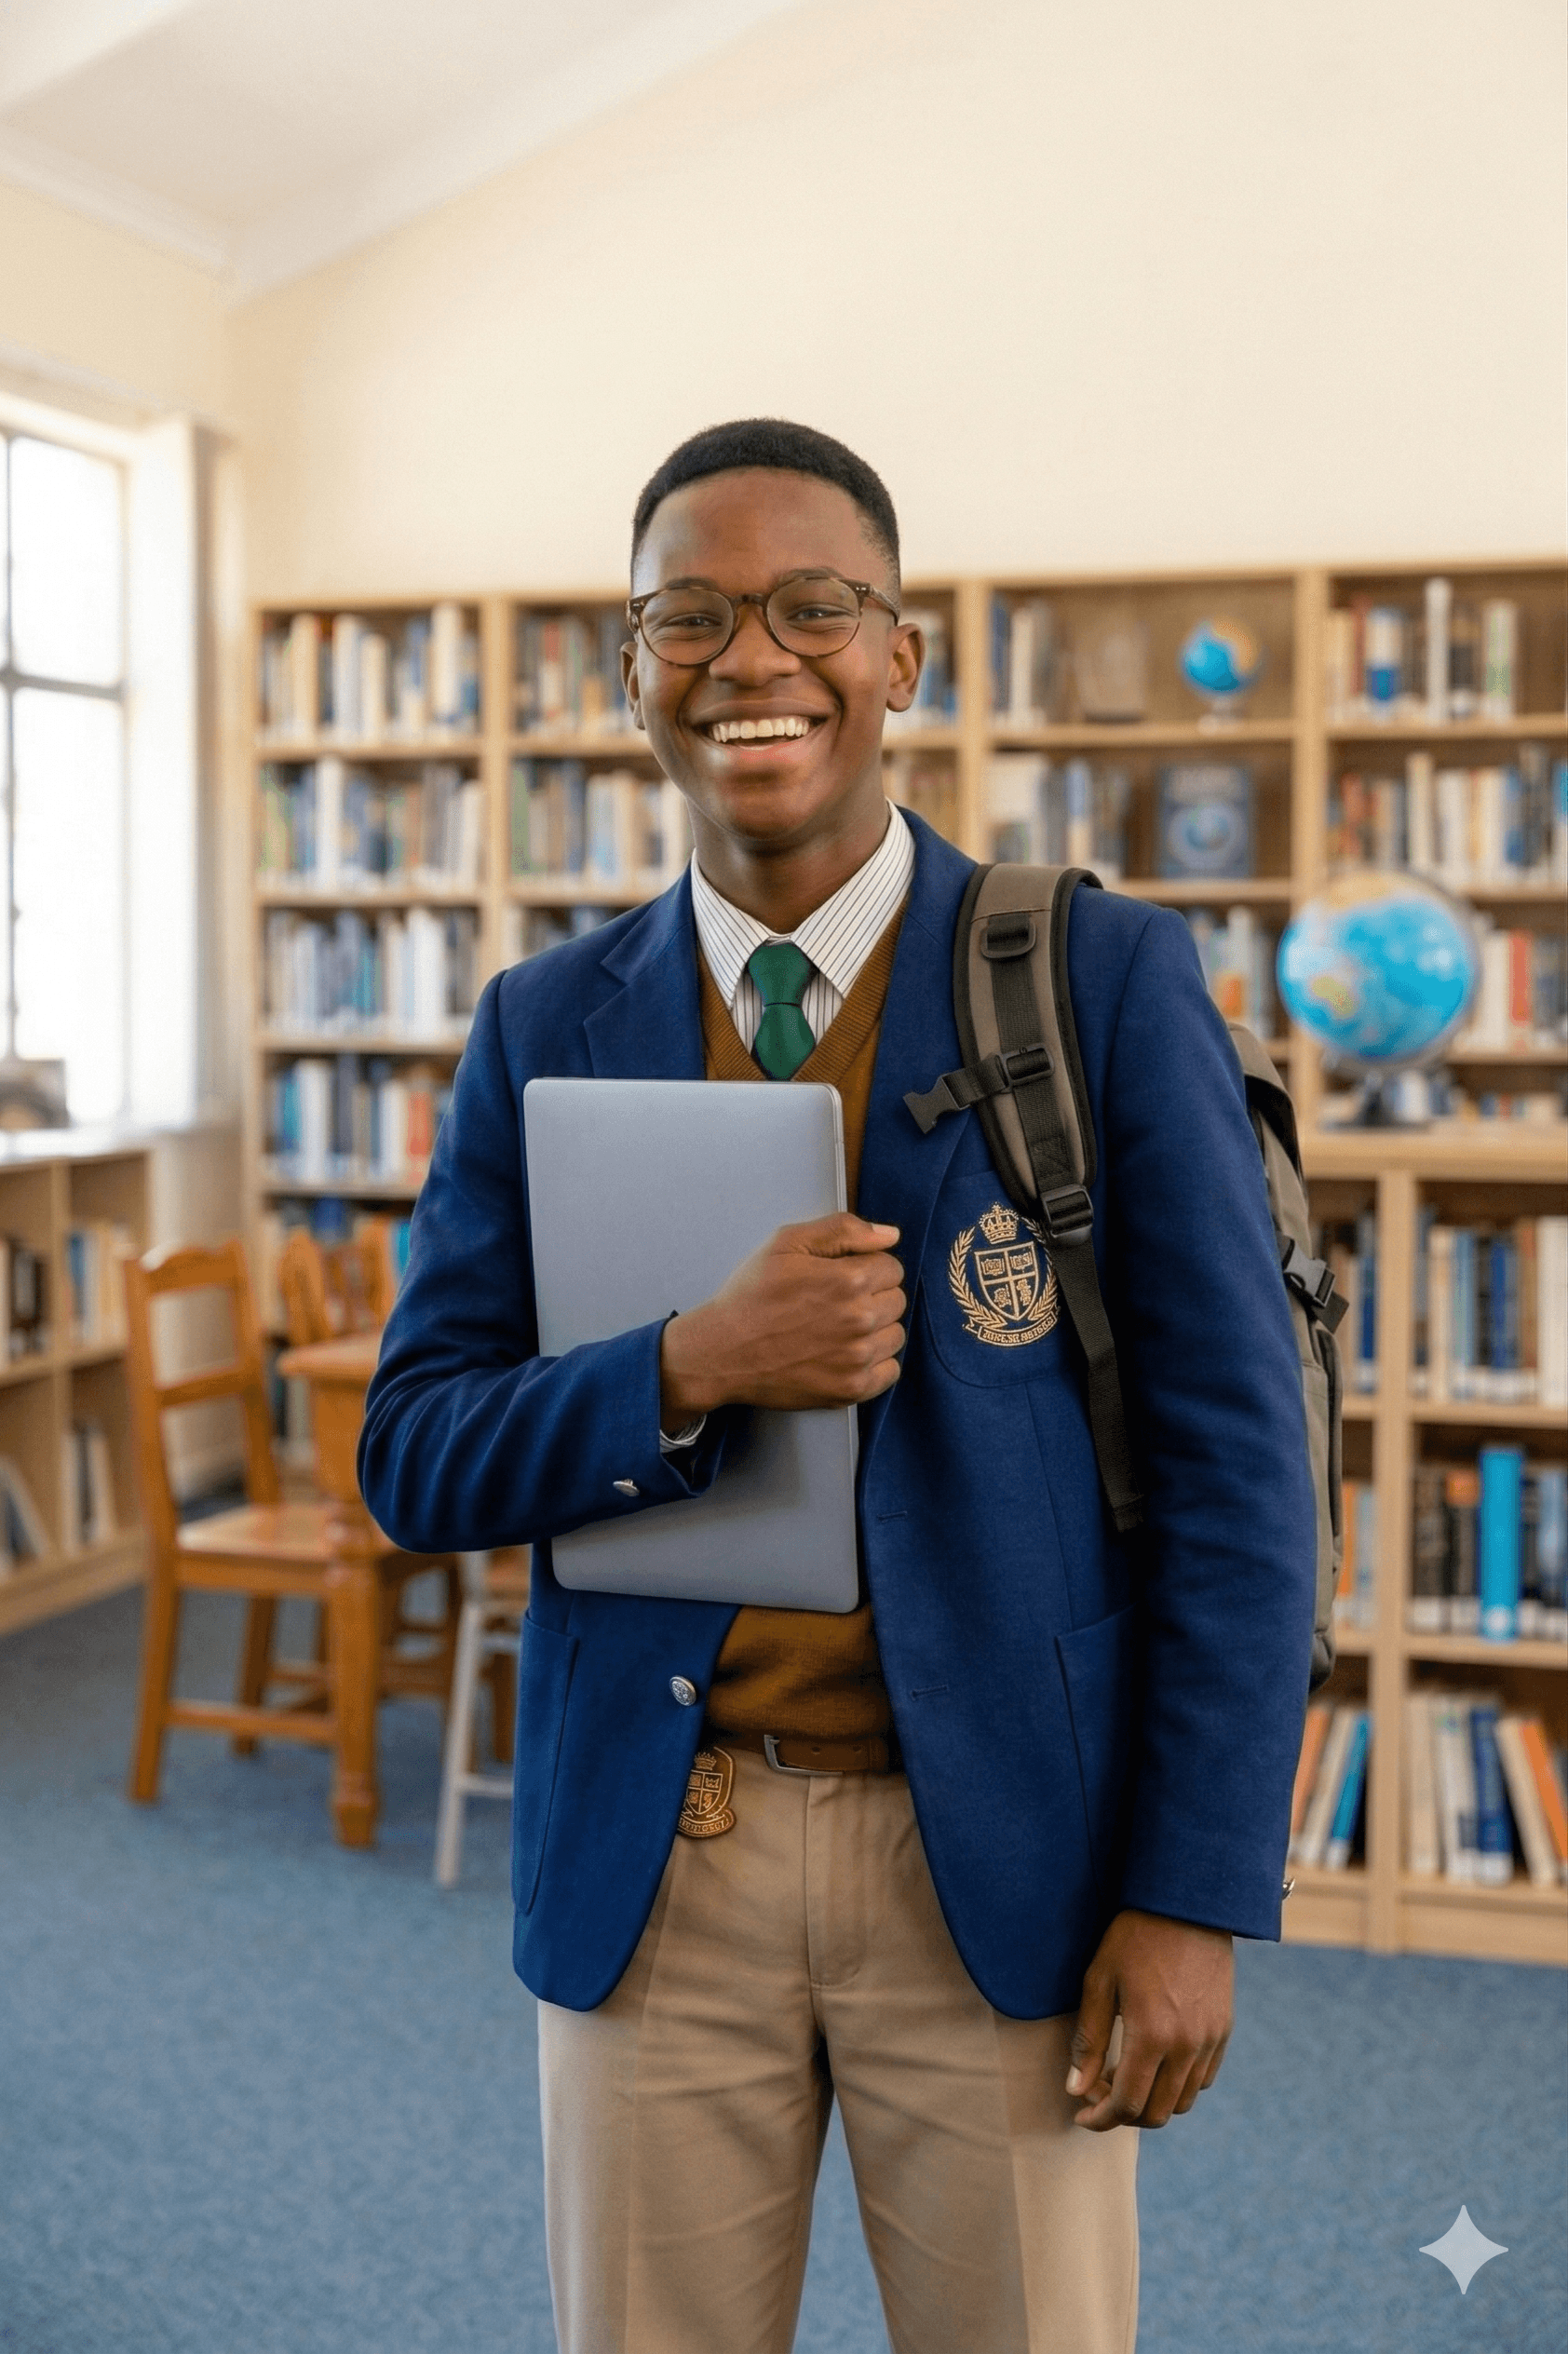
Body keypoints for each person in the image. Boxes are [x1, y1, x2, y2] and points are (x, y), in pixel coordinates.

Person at [358, 418, 1317, 2354]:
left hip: (1004, 1867)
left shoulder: (1102, 983)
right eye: (686, 616)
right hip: (657, 1853)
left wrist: (1194, 1888)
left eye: (812, 607)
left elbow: (1238, 1472)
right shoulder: (541, 1026)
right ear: (626, 669)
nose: (749, 661)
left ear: (899, 656)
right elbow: (413, 1450)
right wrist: (687, 1367)